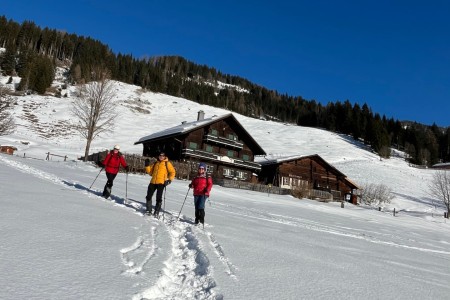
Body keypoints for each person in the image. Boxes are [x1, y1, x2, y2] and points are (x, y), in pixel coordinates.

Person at [144, 152, 176, 217]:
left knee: (158, 198)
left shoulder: (167, 163)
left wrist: (169, 180)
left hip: (161, 183)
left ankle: (156, 211)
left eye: (163, 155)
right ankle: (148, 210)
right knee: (148, 196)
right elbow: (150, 172)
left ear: (165, 156)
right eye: (160, 155)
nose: (161, 156)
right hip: (153, 182)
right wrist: (147, 166)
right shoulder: (156, 163)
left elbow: (172, 172)